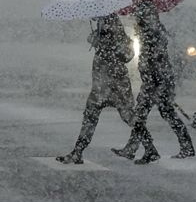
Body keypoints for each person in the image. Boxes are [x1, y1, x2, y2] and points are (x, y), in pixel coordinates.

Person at [112, 0, 194, 164]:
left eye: (137, 15)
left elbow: (155, 59)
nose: (135, 18)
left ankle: (147, 149)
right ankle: (138, 148)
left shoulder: (151, 32)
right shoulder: (151, 30)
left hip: (156, 81)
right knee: (157, 114)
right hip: (156, 80)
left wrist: (156, 82)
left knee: (148, 115)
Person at [56, 13, 136, 164]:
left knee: (128, 117)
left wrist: (100, 40)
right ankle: (78, 151)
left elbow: (123, 54)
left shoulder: (111, 25)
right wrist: (97, 38)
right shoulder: (104, 24)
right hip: (102, 83)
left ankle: (148, 146)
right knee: (91, 116)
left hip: (113, 83)